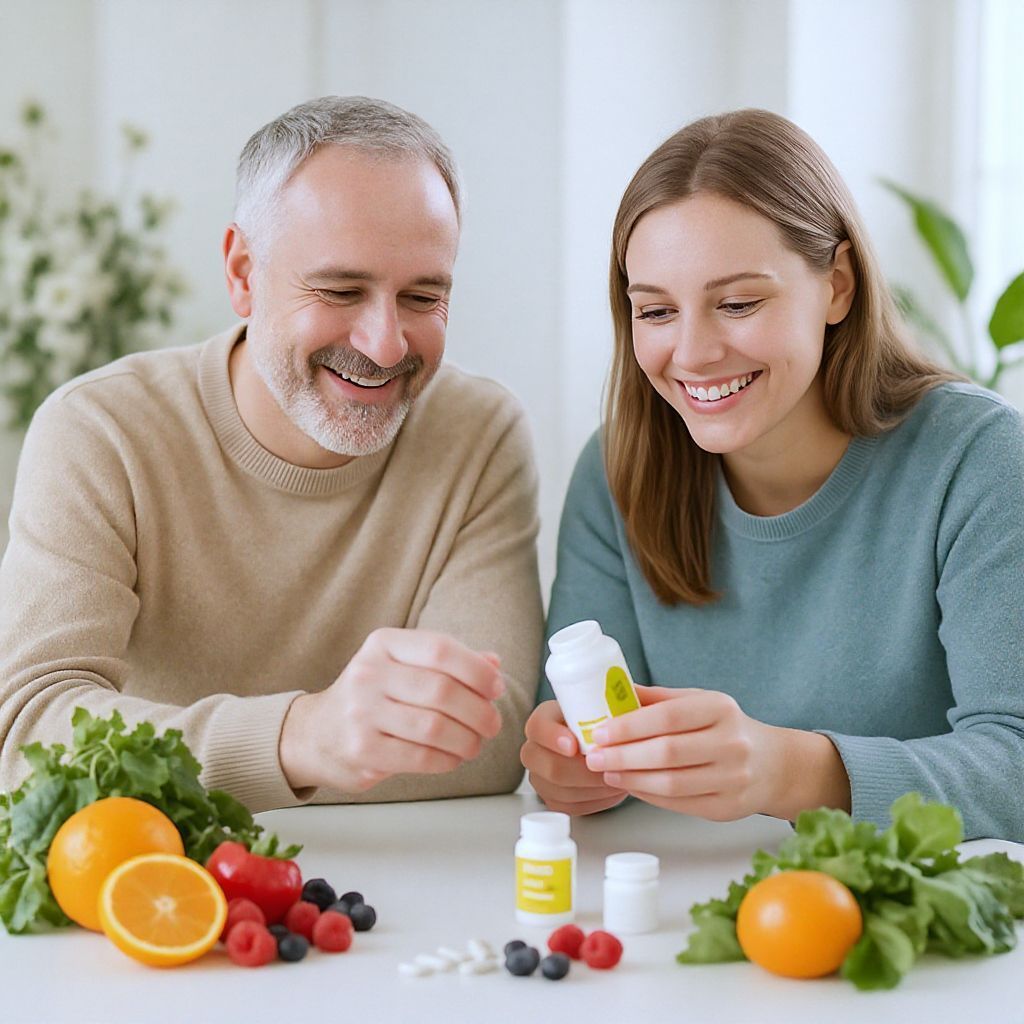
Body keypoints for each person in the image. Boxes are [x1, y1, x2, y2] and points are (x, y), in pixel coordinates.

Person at [0, 96, 544, 811]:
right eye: (341, 289)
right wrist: (300, 739)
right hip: (149, 881)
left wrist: (207, 761)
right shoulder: (102, 431)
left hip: (403, 884)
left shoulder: (479, 434)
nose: (385, 344)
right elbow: (29, 736)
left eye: (421, 296)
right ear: (243, 274)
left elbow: (492, 736)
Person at [522, 108, 1024, 841]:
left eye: (737, 303)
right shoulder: (616, 468)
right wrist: (568, 765)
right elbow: (578, 742)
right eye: (656, 311)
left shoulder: (977, 458)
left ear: (838, 286)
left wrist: (790, 772)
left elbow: (1015, 762)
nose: (691, 353)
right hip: (686, 917)